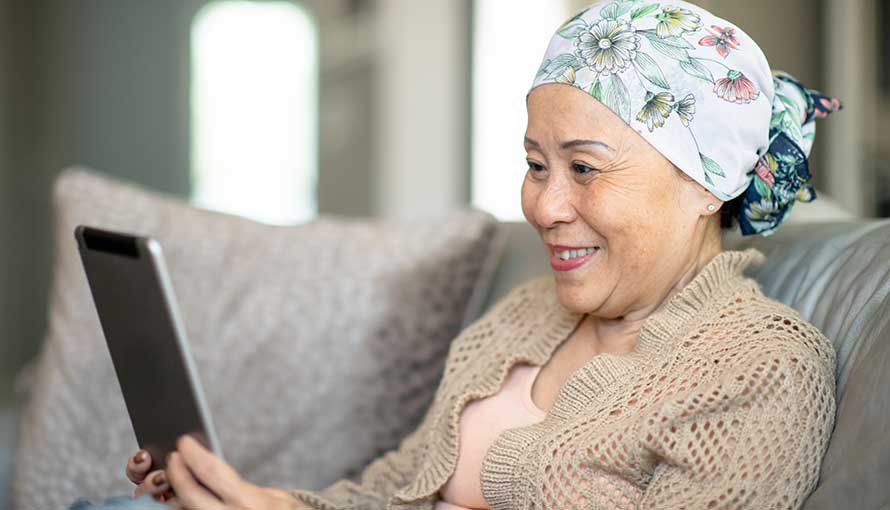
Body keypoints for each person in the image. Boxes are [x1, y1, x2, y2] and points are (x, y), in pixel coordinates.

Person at [84, 1, 842, 508]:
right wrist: (265, 502)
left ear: (707, 185)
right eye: (536, 164)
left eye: (584, 168)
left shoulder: (763, 367)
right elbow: (392, 493)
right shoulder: (524, 316)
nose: (544, 206)